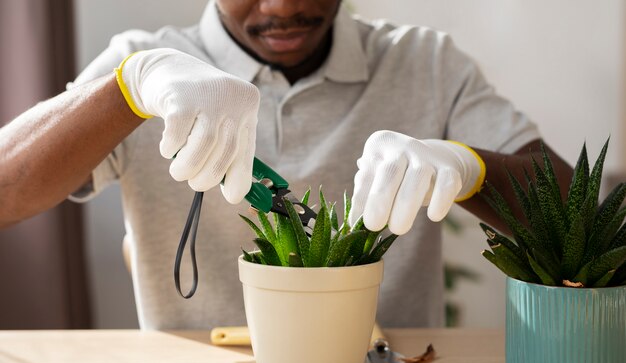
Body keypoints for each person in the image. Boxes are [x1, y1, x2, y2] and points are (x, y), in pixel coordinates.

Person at [0, 0, 572, 329]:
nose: (281, 7)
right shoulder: (140, 59)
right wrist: (130, 86)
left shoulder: (426, 62)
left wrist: (469, 166)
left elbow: (577, 215)